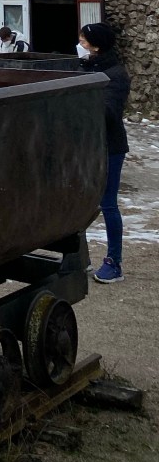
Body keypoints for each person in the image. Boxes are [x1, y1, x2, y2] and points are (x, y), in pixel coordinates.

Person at [78, 21, 131, 284]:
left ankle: (114, 262)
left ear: (97, 45)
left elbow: (109, 112)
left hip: (110, 147)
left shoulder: (117, 74)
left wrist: (83, 98)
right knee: (80, 201)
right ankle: (77, 258)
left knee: (108, 204)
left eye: (84, 39)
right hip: (88, 146)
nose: (80, 42)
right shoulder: (91, 66)